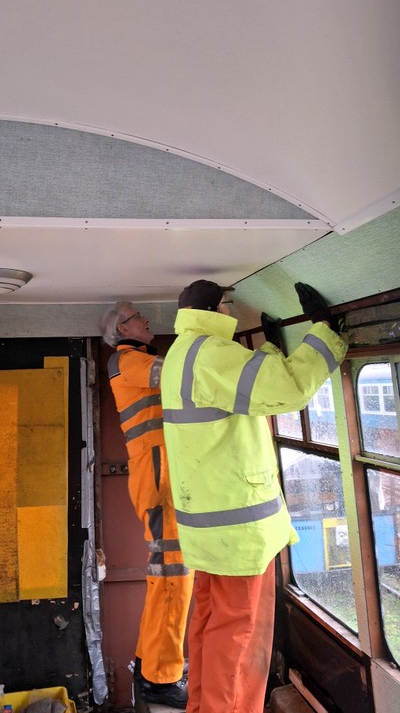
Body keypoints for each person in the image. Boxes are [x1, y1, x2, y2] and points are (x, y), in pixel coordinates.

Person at [160, 279, 348, 713]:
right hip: (239, 534)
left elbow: (244, 387)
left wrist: (270, 347)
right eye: (231, 304)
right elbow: (286, 390)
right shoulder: (210, 352)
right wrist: (324, 332)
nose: (236, 311)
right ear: (216, 308)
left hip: (210, 532)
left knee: (209, 628)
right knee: (239, 639)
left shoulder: (182, 353)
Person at [99, 301, 194, 710]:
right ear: (122, 329)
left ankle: (151, 665)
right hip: (157, 477)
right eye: (138, 316)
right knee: (174, 577)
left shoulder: (135, 360)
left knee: (167, 577)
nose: (147, 320)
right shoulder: (125, 362)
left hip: (159, 475)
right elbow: (178, 375)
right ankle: (161, 677)